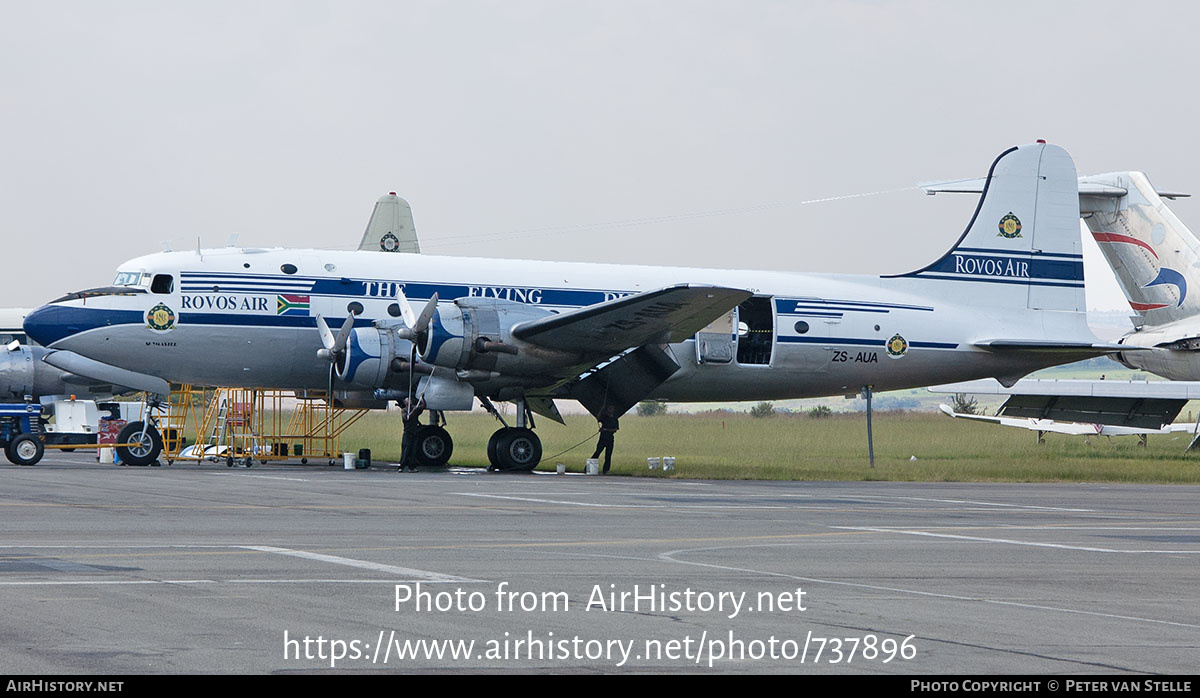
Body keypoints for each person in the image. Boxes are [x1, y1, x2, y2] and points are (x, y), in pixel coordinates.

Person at [397, 396, 425, 472]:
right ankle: (401, 466)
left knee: (413, 450)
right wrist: (414, 411)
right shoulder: (404, 410)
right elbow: (407, 418)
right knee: (406, 450)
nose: (410, 402)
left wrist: (422, 398)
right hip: (407, 433)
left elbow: (423, 406)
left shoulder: (414, 409)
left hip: (414, 432)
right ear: (405, 403)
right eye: (408, 401)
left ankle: (411, 467)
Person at [591, 406, 619, 474]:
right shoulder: (604, 417)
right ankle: (590, 467)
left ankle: (606, 470)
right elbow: (598, 418)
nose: (610, 410)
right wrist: (601, 409)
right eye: (609, 408)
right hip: (602, 439)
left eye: (611, 408)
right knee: (597, 452)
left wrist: (605, 430)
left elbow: (615, 429)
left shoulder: (615, 419)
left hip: (610, 439)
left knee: (608, 455)